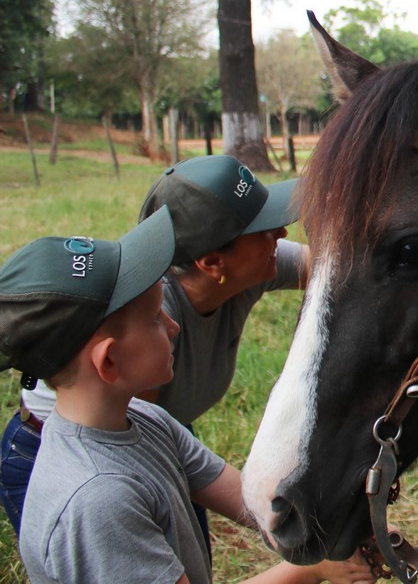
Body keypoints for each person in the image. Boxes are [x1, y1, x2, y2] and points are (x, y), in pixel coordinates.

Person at [0, 209, 371, 583]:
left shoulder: (145, 420)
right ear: (109, 360)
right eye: (154, 319)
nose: (173, 325)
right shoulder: (98, 500)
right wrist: (314, 568)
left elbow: (249, 501)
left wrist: (338, 528)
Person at [2, 155, 306, 540]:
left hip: (153, 429)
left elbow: (342, 268)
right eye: (261, 228)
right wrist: (309, 560)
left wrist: (306, 531)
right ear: (213, 262)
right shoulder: (148, 331)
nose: (281, 232)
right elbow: (133, 440)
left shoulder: (253, 264)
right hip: (72, 448)